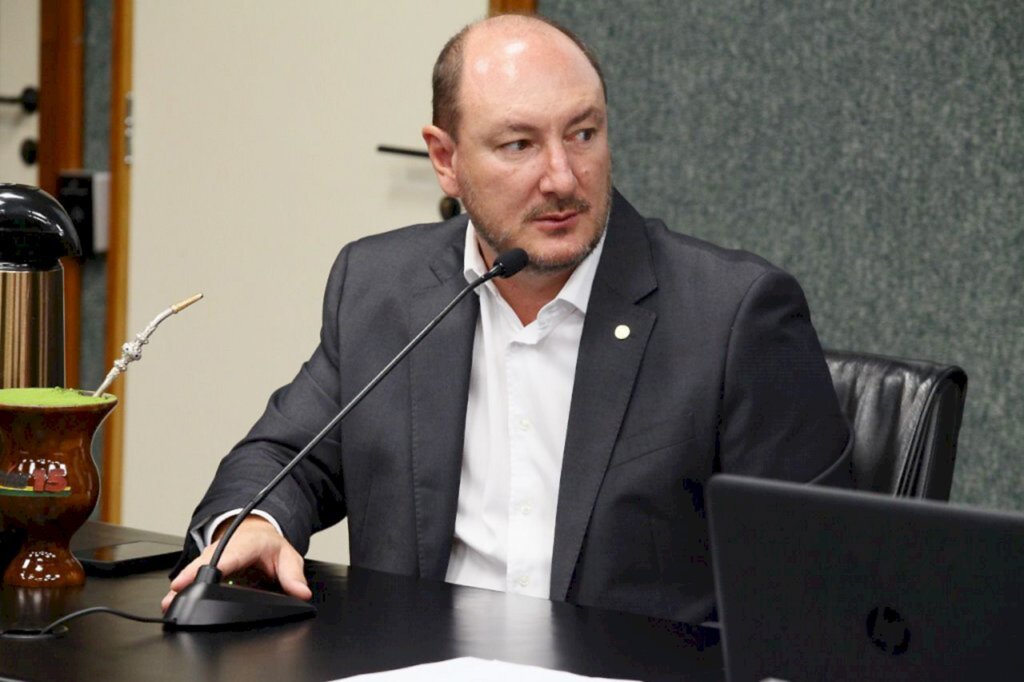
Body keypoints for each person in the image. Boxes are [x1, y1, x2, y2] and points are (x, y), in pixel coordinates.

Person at [164, 14, 850, 624]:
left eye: (583, 133)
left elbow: (815, 589)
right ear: (445, 159)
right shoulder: (382, 289)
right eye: (519, 145)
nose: (562, 177)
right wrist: (252, 520)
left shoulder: (731, 315)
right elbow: (286, 457)